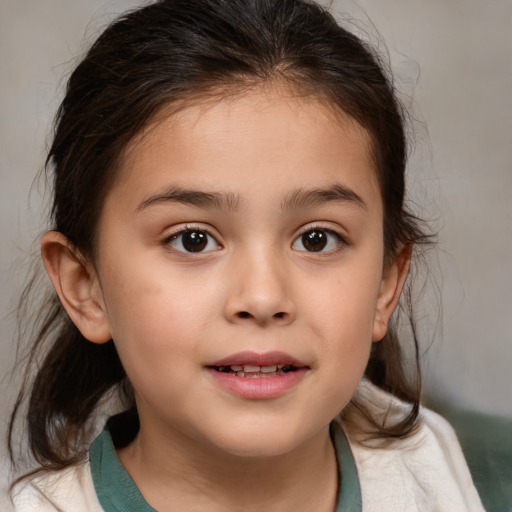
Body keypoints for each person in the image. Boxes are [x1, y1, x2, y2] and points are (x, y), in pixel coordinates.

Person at [8, 0, 485, 510]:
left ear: (386, 284)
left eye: (317, 239)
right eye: (192, 239)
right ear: (86, 287)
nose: (262, 297)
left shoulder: (422, 465)